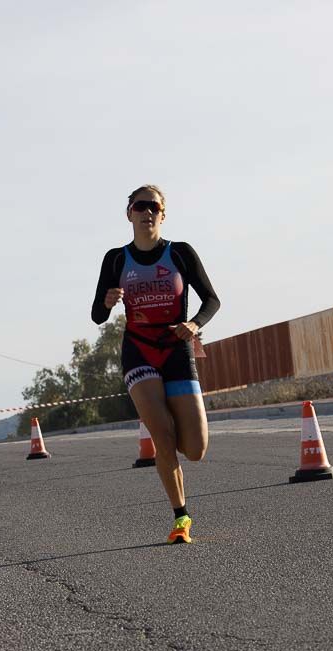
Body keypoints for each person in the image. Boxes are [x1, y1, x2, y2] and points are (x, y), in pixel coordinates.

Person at [91, 184, 220, 544]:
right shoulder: (116, 259)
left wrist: (194, 324)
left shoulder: (180, 253)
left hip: (176, 350)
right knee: (162, 435)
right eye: (140, 206)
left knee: (194, 449)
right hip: (139, 351)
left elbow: (212, 299)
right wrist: (107, 300)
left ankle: (175, 441)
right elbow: (97, 317)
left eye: (154, 206)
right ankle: (181, 517)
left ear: (163, 214)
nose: (147, 212)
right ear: (128, 213)